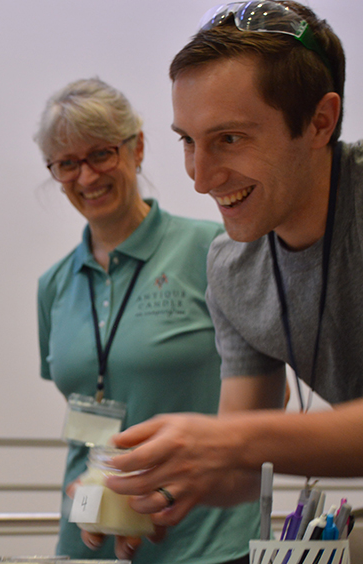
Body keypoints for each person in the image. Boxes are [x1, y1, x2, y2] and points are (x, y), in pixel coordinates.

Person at [107, 0, 363, 527]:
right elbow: (241, 470)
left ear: (320, 122)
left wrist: (228, 441)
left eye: (229, 138)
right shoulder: (232, 268)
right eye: (188, 142)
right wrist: (145, 483)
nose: (201, 178)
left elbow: (239, 441)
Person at [35, 77, 259, 564]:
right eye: (66, 163)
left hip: (201, 551)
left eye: (101, 153)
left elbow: (256, 405)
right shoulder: (53, 285)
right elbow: (86, 402)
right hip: (88, 550)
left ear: (136, 147)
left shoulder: (214, 251)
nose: (86, 175)